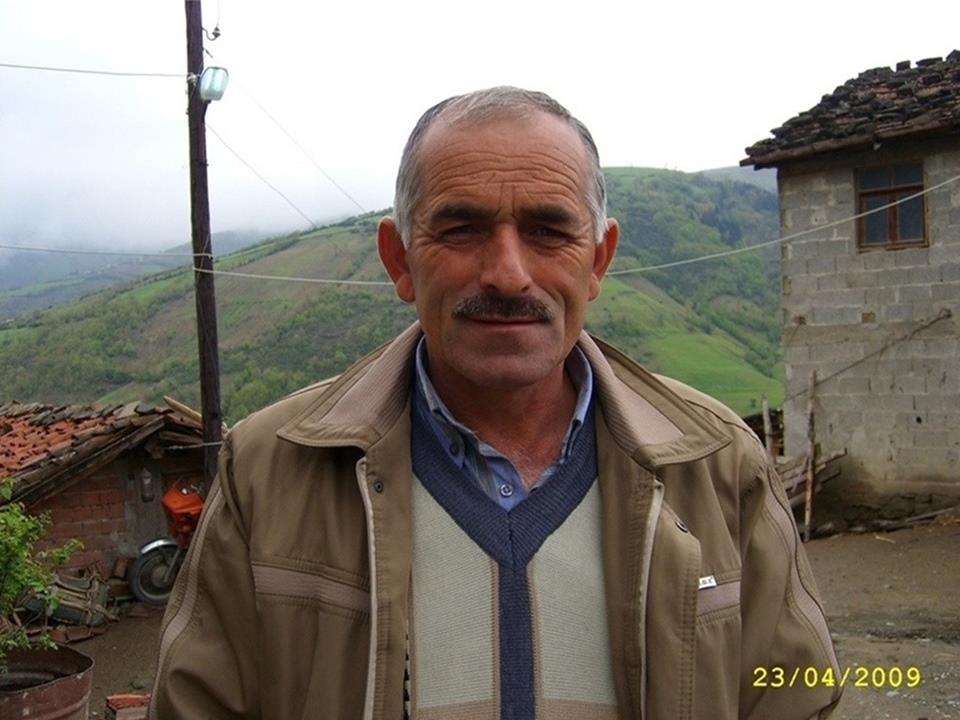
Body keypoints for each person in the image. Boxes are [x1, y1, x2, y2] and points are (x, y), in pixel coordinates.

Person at [150, 87, 841, 720]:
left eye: (548, 231)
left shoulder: (718, 464)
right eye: (461, 229)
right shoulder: (268, 471)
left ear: (598, 260)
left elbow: (795, 698)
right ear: (400, 260)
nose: (508, 274)